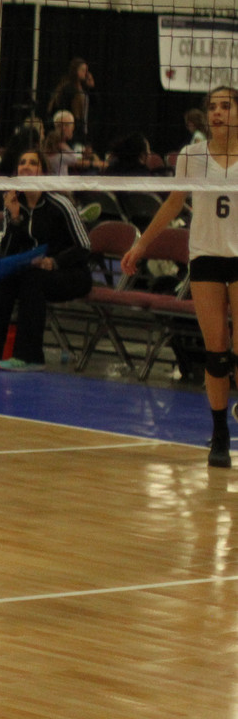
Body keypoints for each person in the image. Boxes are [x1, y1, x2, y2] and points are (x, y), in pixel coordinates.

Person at [123, 86, 238, 467]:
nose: (217, 112)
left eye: (226, 106)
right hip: (205, 257)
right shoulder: (192, 155)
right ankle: (220, 435)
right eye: (213, 107)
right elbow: (174, 203)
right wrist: (141, 245)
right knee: (216, 353)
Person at [0, 148, 92, 371]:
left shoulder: (60, 204)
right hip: (33, 271)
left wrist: (54, 262)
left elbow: (84, 247)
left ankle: (30, 356)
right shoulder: (14, 204)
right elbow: (9, 249)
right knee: (5, 279)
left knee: (33, 280)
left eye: (33, 163)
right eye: (22, 162)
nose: (26, 166)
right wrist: (14, 217)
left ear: (43, 172)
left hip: (71, 272)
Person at [47, 57, 94, 146]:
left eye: (86, 70)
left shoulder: (83, 88)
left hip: (81, 131)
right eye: (82, 70)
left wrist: (91, 87)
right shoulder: (69, 88)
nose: (86, 73)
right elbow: (64, 110)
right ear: (75, 71)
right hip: (71, 131)